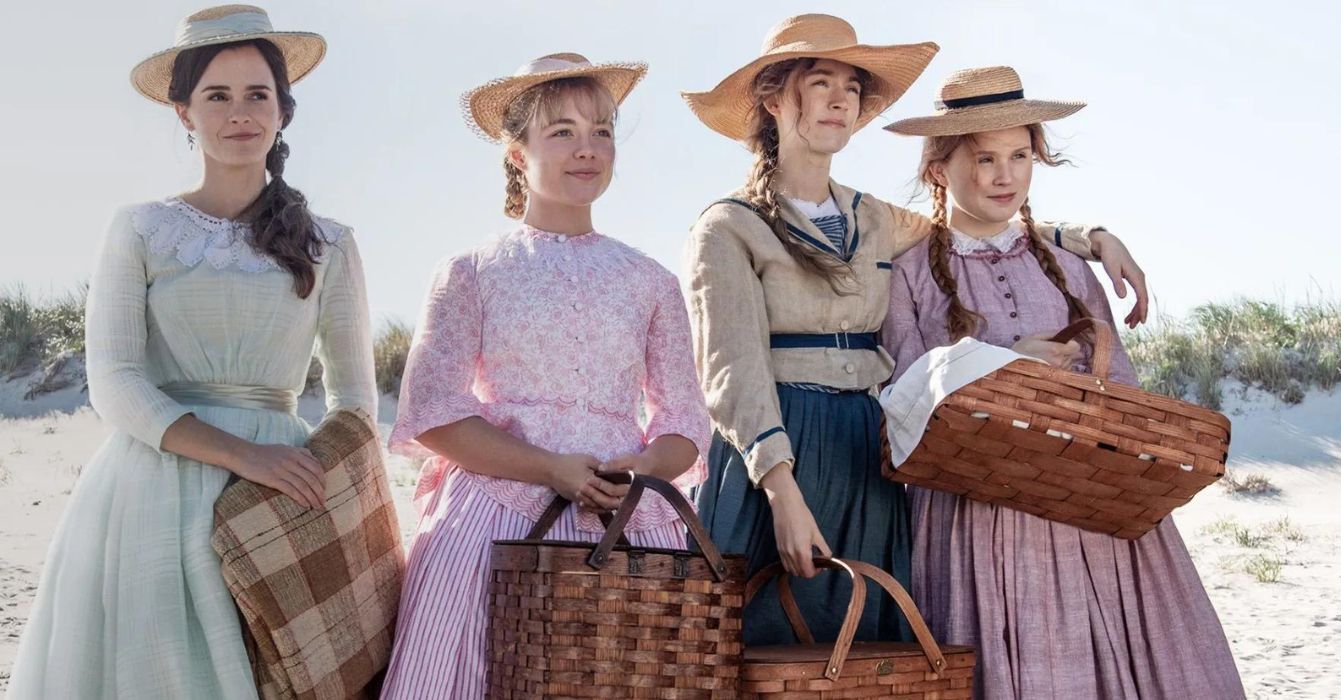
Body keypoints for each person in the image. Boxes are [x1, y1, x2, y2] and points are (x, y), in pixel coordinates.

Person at [682, 14, 1147, 646]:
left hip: (865, 449)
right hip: (774, 448)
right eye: (820, 82)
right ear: (771, 98)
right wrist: (781, 491)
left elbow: (979, 221)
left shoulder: (873, 218)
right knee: (755, 645)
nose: (841, 98)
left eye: (851, 85)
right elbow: (731, 370)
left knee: (865, 648)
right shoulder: (726, 228)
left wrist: (1089, 238)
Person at [8, 5, 376, 698]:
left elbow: (355, 398)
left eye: (257, 94)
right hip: (152, 484)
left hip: (280, 498)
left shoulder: (331, 243)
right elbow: (114, 380)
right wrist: (243, 455)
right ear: (184, 113)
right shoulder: (141, 228)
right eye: (216, 96)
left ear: (282, 110)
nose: (239, 113)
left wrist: (316, 478)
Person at [881, 65, 1244, 699]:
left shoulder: (1071, 268)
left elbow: (1122, 387)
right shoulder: (907, 272)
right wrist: (1000, 362)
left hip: (1088, 498)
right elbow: (907, 398)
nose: (1005, 175)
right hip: (976, 506)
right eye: (985, 157)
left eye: (1020, 155)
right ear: (940, 169)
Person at [379, 54, 711, 698]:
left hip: (627, 521)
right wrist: (552, 469)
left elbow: (686, 424)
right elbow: (435, 414)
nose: (587, 149)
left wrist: (641, 469)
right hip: (494, 520)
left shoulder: (652, 282)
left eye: (603, 131)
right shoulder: (470, 272)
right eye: (561, 131)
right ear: (515, 152)